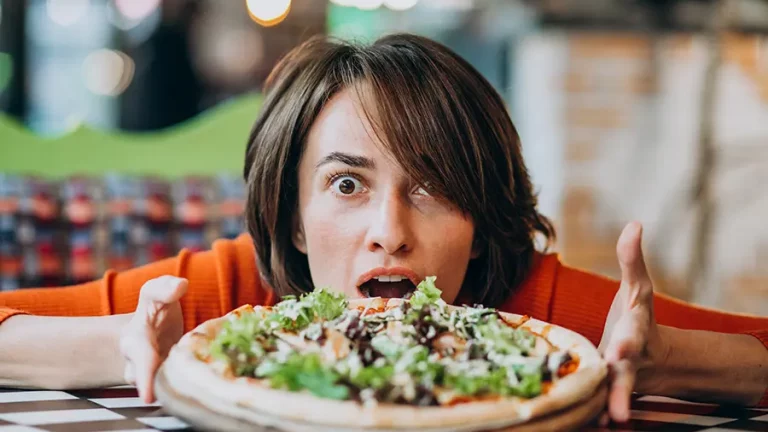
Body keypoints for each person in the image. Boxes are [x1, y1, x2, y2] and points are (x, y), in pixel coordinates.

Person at [1, 34, 766, 425]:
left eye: (433, 188)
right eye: (346, 184)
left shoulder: (533, 316)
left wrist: (670, 360)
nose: (390, 233)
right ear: (294, 220)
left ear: (479, 219)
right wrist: (121, 342)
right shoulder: (229, 300)